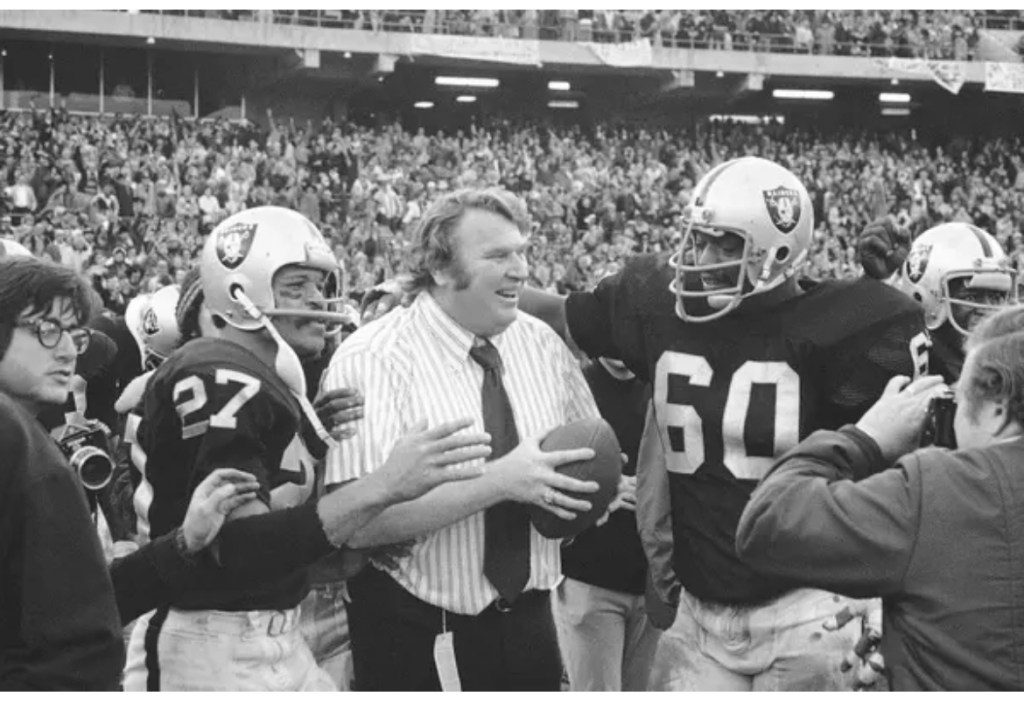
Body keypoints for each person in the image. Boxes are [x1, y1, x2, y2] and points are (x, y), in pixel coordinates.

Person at [516, 156, 930, 691]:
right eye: (700, 239)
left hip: (809, 607)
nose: (704, 258)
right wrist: (461, 285)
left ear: (779, 252)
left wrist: (892, 286)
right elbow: (558, 314)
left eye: (727, 245)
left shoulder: (854, 323)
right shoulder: (658, 305)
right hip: (699, 609)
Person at [122, 206, 489, 692]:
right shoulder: (216, 371)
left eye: (319, 284)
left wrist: (311, 443)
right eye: (296, 286)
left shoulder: (266, 380)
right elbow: (242, 549)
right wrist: (382, 488)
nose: (318, 298)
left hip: (268, 633)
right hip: (209, 641)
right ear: (239, 293)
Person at [322, 187, 604, 691]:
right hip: (417, 627)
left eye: (521, 252)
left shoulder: (541, 343)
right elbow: (355, 524)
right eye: (497, 256)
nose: (519, 270)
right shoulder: (374, 357)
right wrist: (499, 482)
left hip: (530, 619)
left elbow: (588, 450)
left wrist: (593, 492)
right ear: (440, 266)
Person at [0, 256, 259, 690]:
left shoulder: (25, 431)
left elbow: (79, 604)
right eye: (46, 329)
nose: (67, 351)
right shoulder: (12, 436)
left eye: (74, 335)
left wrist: (184, 542)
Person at [736, 304, 1024, 690]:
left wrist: (865, 437)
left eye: (960, 397)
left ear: (998, 409)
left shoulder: (940, 489)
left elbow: (767, 522)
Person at [552, 356, 661, 691]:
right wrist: (605, 487)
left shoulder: (661, 388)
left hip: (651, 582)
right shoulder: (572, 388)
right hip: (590, 579)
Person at [891, 223, 1017, 382]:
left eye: (996, 297)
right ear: (923, 298)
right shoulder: (898, 363)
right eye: (971, 297)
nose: (989, 311)